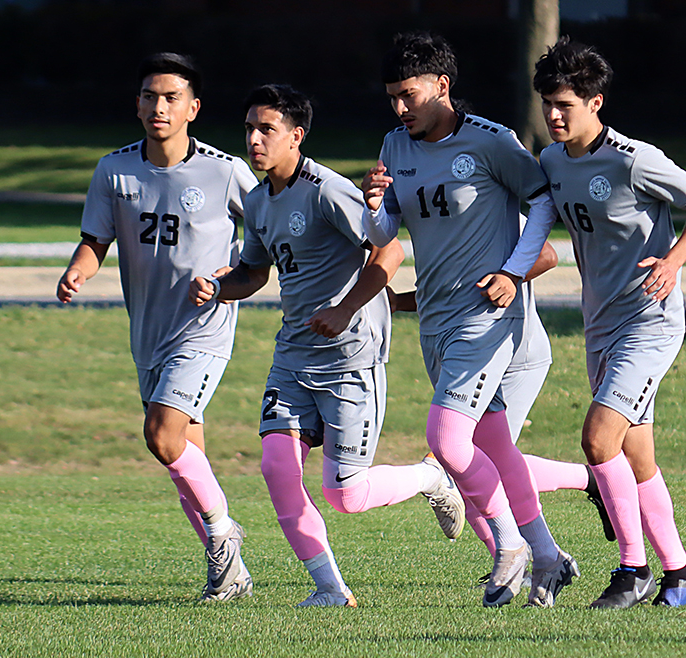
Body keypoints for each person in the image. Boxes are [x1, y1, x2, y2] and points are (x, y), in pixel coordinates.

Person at [189, 84, 465, 608]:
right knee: (277, 470)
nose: (253, 138)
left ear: (295, 136)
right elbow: (253, 272)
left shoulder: (326, 189)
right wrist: (217, 287)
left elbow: (389, 253)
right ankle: (330, 589)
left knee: (347, 496)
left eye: (265, 129)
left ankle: (430, 475)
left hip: (350, 357)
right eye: (249, 127)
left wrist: (344, 310)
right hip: (292, 356)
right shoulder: (256, 198)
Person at [502, 36, 686, 609]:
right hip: (599, 326)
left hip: (649, 323)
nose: (553, 115)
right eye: (547, 103)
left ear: (595, 103)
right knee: (636, 456)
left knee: (599, 441)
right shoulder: (551, 161)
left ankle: (633, 569)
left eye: (565, 105)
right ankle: (681, 573)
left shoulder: (633, 159)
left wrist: (674, 261)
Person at [361, 31, 577, 608]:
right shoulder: (394, 145)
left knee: (445, 438)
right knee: (492, 445)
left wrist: (513, 270)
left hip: (486, 315)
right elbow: (385, 237)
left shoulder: (491, 142)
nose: (400, 108)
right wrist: (375, 207)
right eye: (392, 98)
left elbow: (543, 201)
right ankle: (550, 557)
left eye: (409, 95)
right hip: (435, 320)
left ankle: (510, 547)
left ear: (442, 86)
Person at [56, 53, 259, 601]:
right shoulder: (113, 171)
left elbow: (268, 232)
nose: (158, 106)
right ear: (137, 104)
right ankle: (229, 571)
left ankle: (223, 534)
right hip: (148, 331)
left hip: (204, 327)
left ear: (193, 108)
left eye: (171, 97)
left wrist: (233, 275)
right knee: (182, 455)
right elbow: (97, 241)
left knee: (161, 435)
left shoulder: (223, 171)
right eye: (149, 96)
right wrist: (78, 268)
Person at [389, 241, 617, 569]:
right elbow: (452, 289)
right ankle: (523, 557)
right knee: (478, 465)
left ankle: (525, 560)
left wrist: (506, 279)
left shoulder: (493, 201)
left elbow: (547, 255)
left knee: (473, 464)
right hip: (472, 352)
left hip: (518, 354)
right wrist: (400, 301)